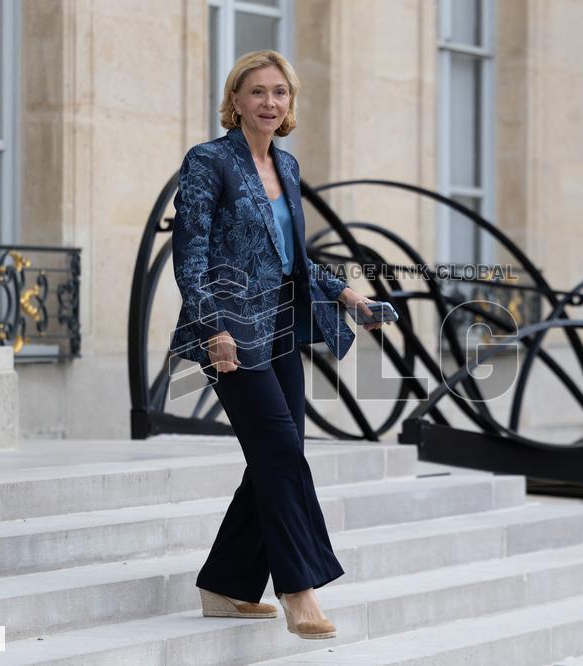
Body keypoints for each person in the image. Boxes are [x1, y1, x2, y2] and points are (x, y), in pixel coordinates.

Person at [170, 49, 392, 640]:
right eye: (257, 92)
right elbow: (189, 256)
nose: (270, 102)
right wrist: (212, 328)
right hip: (231, 334)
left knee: (276, 455)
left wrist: (348, 297)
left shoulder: (287, 167)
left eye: (280, 93)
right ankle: (299, 589)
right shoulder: (208, 162)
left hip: (281, 328)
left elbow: (290, 259)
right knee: (280, 453)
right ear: (235, 100)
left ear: (290, 102)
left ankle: (226, 584)